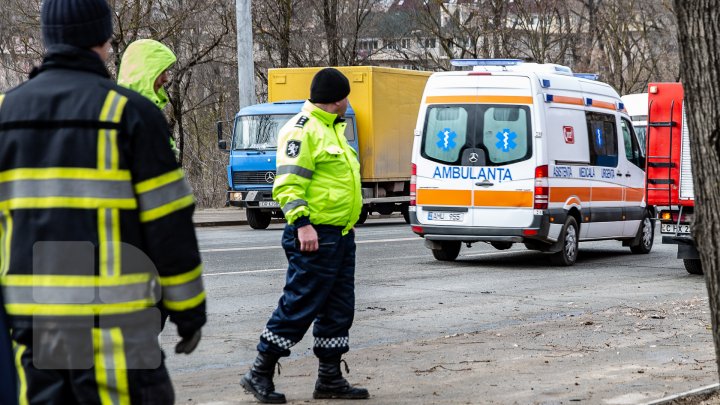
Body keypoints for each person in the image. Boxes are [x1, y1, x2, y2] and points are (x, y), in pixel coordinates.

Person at [0, 0, 206, 403]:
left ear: (46, 39)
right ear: (105, 41)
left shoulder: (6, 113)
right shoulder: (131, 115)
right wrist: (189, 311)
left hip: (31, 328)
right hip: (115, 335)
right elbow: (169, 227)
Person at [241, 68, 369, 404]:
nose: (347, 101)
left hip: (338, 235)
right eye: (346, 96)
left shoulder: (333, 128)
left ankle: (329, 379)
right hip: (313, 236)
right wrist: (302, 224)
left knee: (339, 308)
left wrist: (347, 220)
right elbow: (287, 184)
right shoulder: (303, 131)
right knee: (299, 305)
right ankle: (259, 371)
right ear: (336, 99)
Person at [117, 39, 180, 159]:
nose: (166, 79)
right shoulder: (129, 116)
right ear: (144, 74)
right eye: (161, 71)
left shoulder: (143, 114)